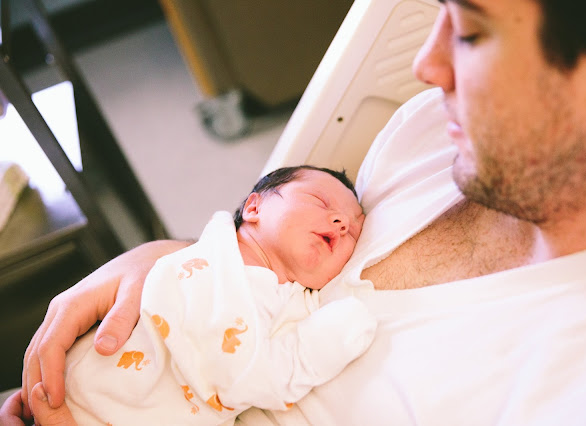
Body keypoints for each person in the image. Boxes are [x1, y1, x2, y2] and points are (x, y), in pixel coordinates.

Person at [7, 0, 586, 423]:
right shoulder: (435, 133)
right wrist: (163, 260)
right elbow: (275, 264)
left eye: (472, 32)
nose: (426, 64)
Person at [64, 165, 374, 425]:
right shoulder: (207, 260)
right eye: (320, 201)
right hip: (78, 396)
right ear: (254, 208)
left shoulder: (300, 309)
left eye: (353, 232)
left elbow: (252, 378)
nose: (341, 223)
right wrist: (347, 325)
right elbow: (245, 376)